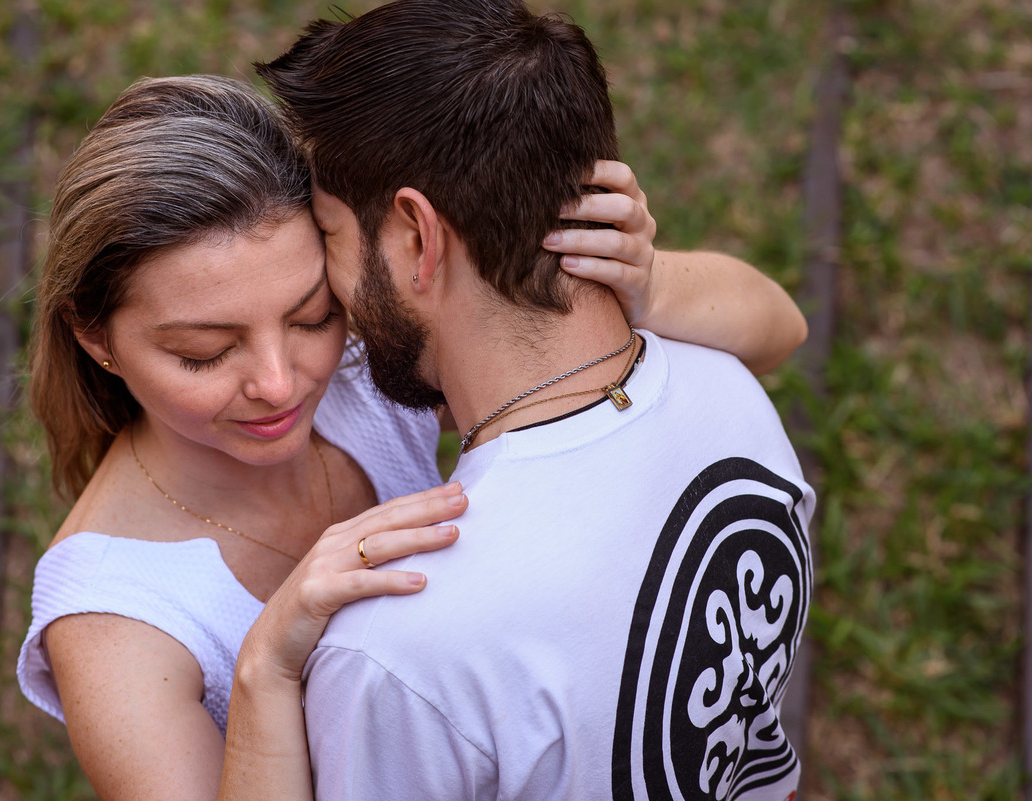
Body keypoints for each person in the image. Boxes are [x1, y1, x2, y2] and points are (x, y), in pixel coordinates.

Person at [15, 72, 806, 801]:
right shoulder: (113, 625)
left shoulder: (365, 371)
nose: (280, 383)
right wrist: (265, 670)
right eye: (204, 352)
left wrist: (645, 275)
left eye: (311, 316)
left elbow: (774, 330)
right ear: (96, 339)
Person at [255, 1, 817, 799]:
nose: (332, 295)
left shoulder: (399, 650)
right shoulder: (731, 396)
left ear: (417, 237)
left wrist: (261, 670)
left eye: (332, 236)